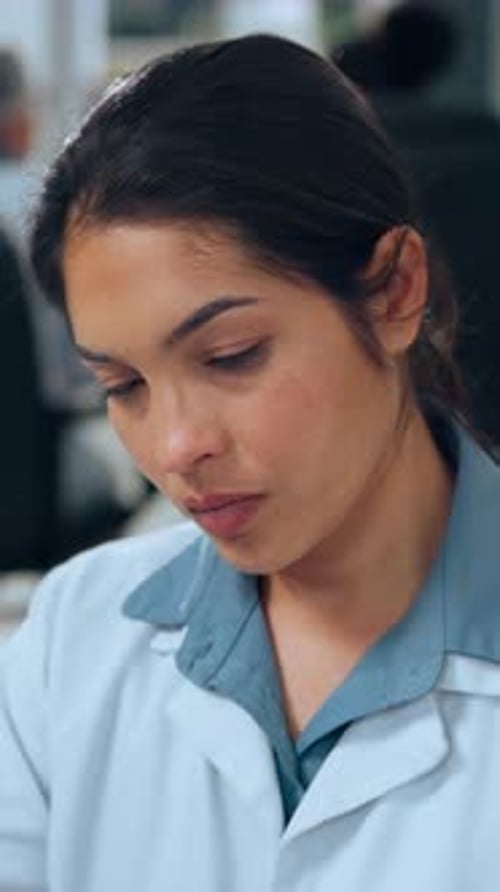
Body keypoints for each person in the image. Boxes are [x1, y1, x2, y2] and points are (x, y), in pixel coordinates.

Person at [0, 32, 498, 892]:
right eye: (122, 385)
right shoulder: (74, 639)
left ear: (394, 292)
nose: (173, 445)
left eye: (231, 355)